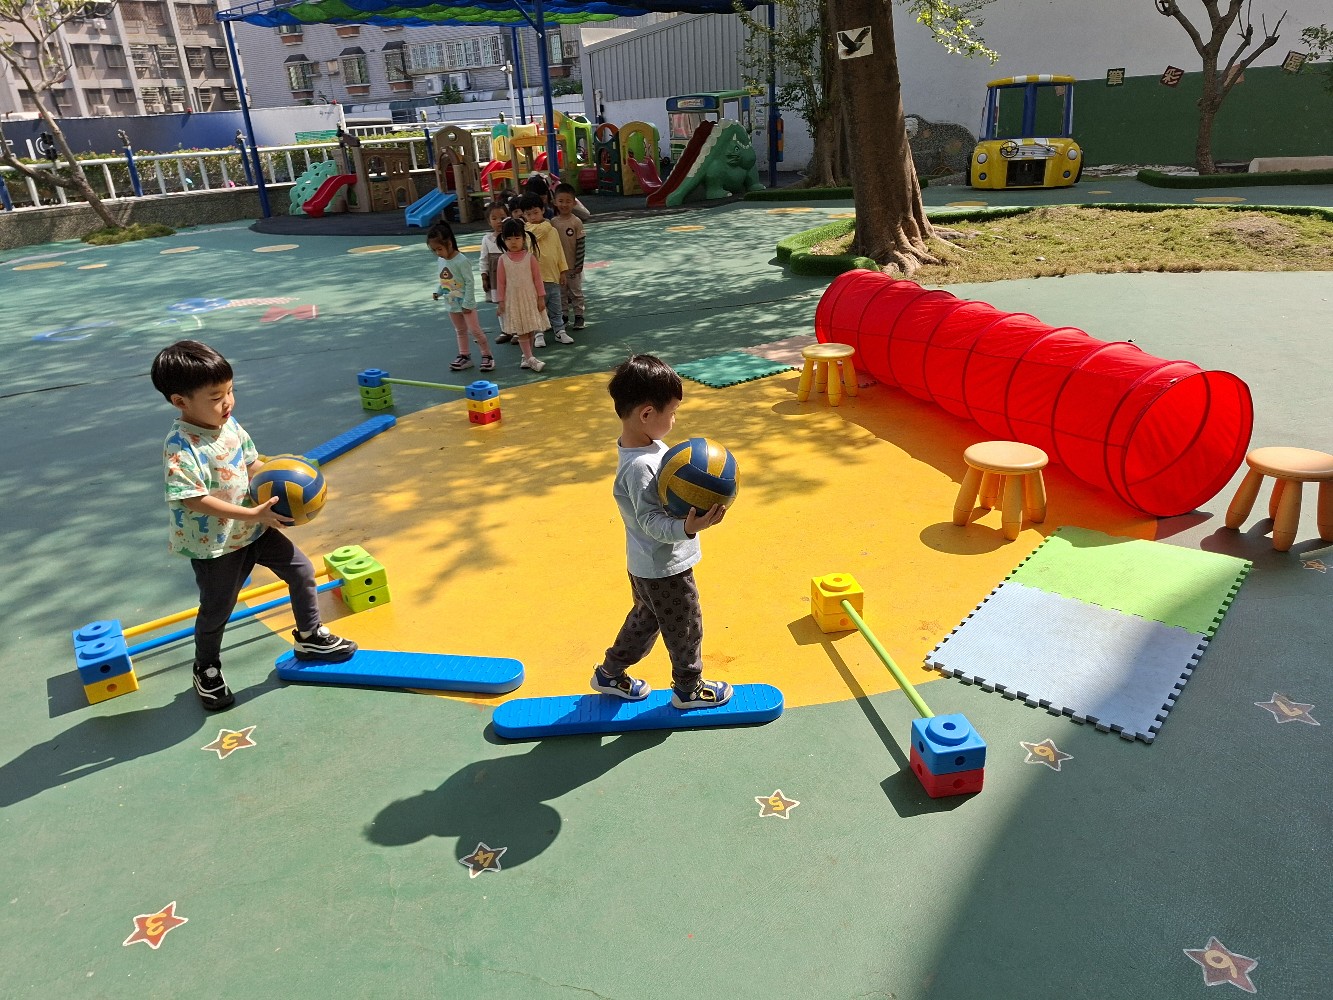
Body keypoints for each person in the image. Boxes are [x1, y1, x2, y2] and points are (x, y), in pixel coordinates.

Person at [150, 340, 357, 711]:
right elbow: (192, 498)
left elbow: (251, 464)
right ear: (180, 401)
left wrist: (289, 478)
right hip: (216, 545)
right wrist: (253, 515)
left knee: (301, 570)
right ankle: (206, 667)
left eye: (230, 391)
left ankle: (309, 636)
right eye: (216, 397)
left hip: (255, 528)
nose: (228, 402)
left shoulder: (229, 425)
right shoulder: (181, 446)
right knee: (217, 609)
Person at [592, 354, 733, 710]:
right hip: (663, 567)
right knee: (685, 625)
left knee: (646, 619)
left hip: (645, 564)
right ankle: (688, 688)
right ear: (646, 414)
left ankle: (609, 673)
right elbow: (651, 523)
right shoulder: (640, 466)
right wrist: (687, 527)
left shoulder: (647, 447)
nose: (674, 420)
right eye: (672, 412)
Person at [427, 221, 493, 373]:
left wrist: (467, 303)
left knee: (475, 330)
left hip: (465, 304)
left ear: (449, 243)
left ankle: (487, 356)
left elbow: (469, 282)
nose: (437, 253)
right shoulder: (441, 260)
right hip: (452, 303)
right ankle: (464, 356)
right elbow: (445, 280)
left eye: (439, 249)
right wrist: (438, 291)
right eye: (434, 250)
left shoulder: (461, 260)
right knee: (460, 330)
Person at [494, 217, 548, 372]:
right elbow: (501, 283)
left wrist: (541, 297)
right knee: (522, 331)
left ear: (524, 238)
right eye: (509, 238)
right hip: (514, 300)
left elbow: (537, 279)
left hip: (529, 298)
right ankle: (531, 359)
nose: (513, 242)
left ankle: (526, 357)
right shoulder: (503, 260)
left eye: (517, 238)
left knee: (529, 328)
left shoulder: (530, 258)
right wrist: (501, 302)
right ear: (503, 240)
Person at [519, 192, 569, 347]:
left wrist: (563, 270)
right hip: (534, 279)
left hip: (552, 276)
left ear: (542, 210)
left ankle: (560, 331)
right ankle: (538, 333)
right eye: (528, 214)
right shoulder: (526, 231)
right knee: (537, 307)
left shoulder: (552, 231)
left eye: (536, 212)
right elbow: (535, 235)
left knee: (556, 307)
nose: (533, 217)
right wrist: (547, 224)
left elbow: (559, 251)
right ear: (524, 215)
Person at [553, 182, 586, 331]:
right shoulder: (553, 223)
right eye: (561, 201)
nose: (564, 204)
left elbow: (581, 244)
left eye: (568, 201)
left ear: (574, 203)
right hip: (559, 268)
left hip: (573, 266)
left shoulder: (576, 222)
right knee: (561, 293)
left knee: (576, 292)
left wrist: (579, 264)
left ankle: (579, 316)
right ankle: (564, 316)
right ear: (555, 202)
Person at [478, 202, 511, 344]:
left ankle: (517, 330)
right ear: (489, 221)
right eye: (494, 218)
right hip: (495, 277)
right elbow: (483, 259)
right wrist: (484, 276)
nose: (499, 221)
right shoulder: (487, 239)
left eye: (502, 218)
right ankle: (505, 330)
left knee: (513, 302)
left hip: (511, 276)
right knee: (500, 303)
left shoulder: (511, 237)